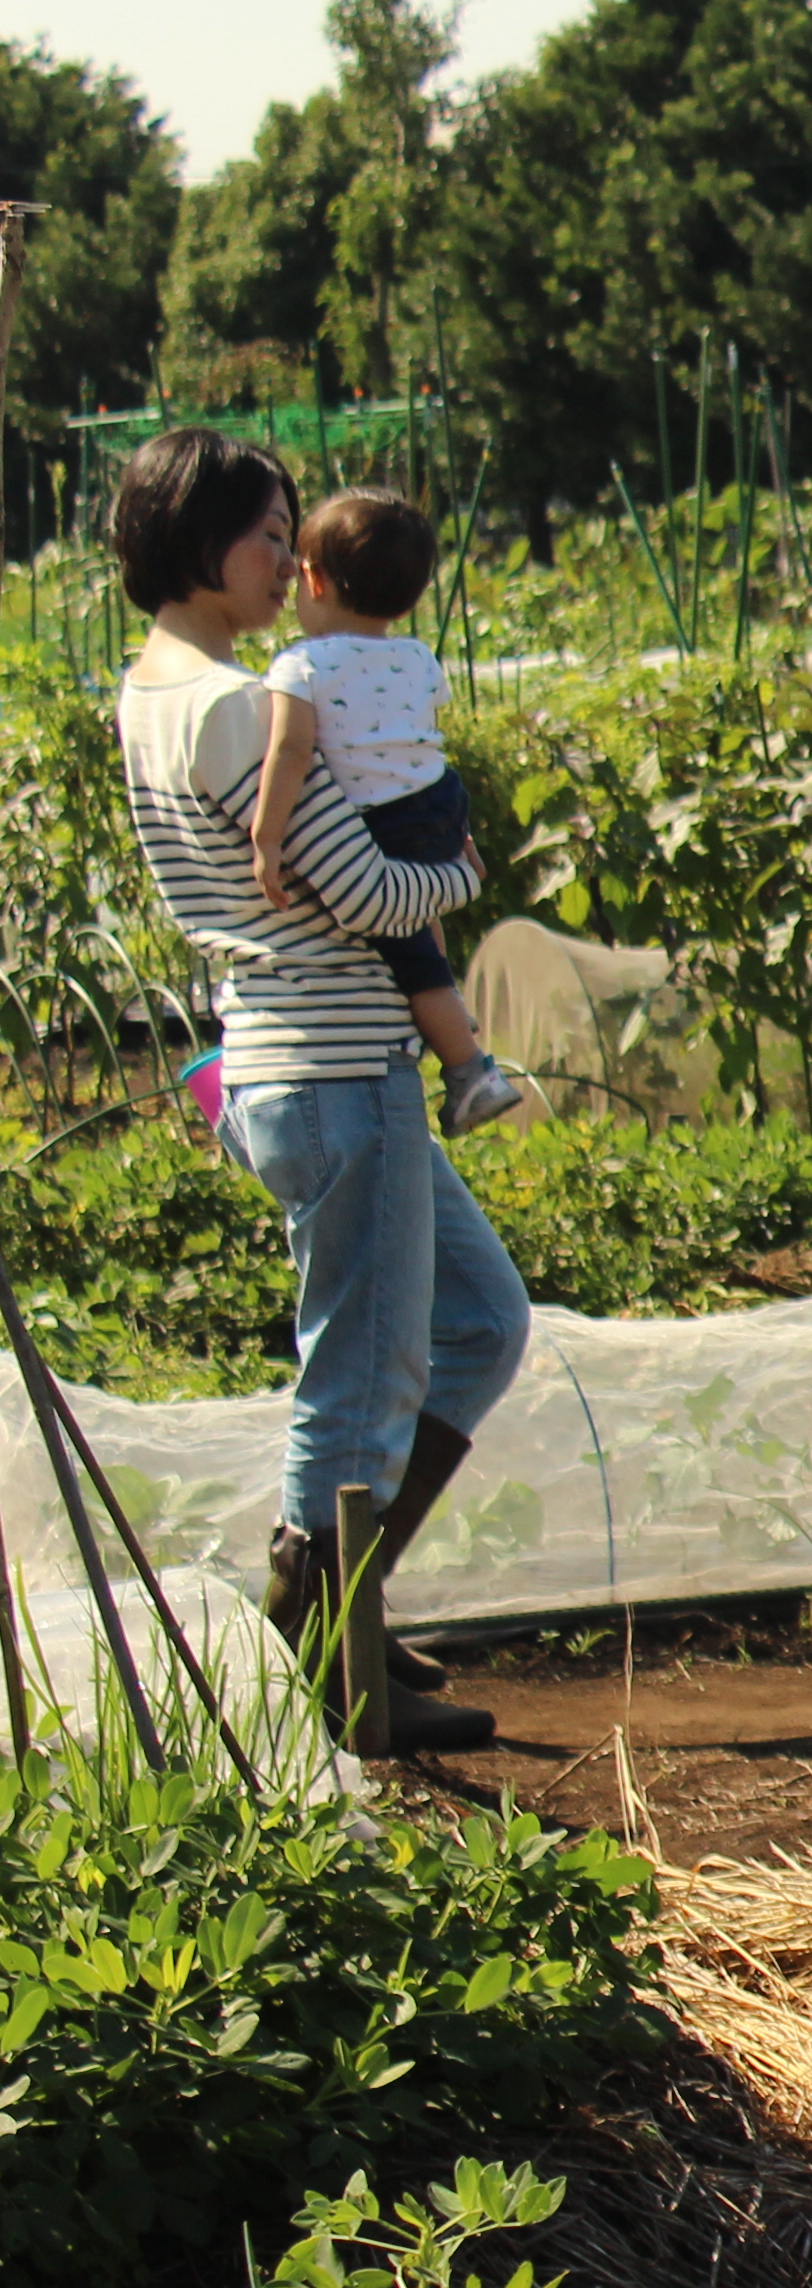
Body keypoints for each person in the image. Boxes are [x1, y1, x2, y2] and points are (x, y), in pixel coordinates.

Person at [108, 431, 530, 1753]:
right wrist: (459, 875)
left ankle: (341, 1610)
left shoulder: (156, 690)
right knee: (363, 1375)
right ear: (194, 541)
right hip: (341, 1064)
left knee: (478, 1319)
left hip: (283, 1054)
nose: (289, 558)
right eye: (265, 533)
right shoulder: (236, 707)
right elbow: (353, 892)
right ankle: (328, 1664)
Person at [249, 488, 529, 1136]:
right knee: (421, 926)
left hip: (384, 820)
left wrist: (266, 837)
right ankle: (450, 1014)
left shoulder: (300, 665)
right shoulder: (419, 657)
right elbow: (414, 742)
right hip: (438, 800)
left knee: (411, 957)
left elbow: (290, 753)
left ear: (313, 578)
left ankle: (470, 1071)